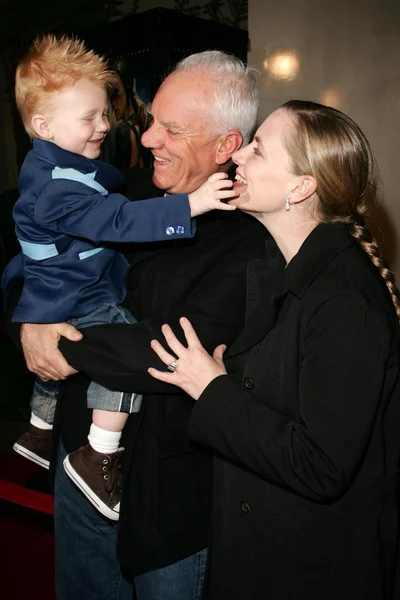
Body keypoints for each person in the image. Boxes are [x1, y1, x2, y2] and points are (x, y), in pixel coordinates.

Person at [5, 51, 269, 599]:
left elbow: (165, 353)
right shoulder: (122, 190)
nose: (146, 140)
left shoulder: (253, 242)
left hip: (167, 492)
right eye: (151, 122)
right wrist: (29, 322)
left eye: (171, 129)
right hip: (79, 458)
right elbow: (27, 261)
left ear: (226, 146)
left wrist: (65, 343)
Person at [148, 100, 400, 600]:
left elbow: (321, 464)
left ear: (300, 188)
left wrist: (212, 387)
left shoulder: (343, 298)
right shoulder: (305, 274)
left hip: (310, 572)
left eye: (259, 150)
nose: (240, 157)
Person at [100, 59, 149, 169]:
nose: (112, 104)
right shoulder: (139, 121)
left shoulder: (124, 130)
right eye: (110, 97)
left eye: (116, 94)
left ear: (127, 91)